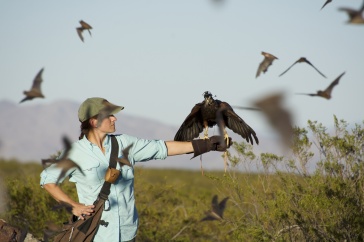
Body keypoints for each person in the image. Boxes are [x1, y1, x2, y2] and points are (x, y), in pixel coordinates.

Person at [40, 97, 232, 242]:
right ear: (94, 121)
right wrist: (73, 205)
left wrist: (208, 145)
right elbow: (48, 180)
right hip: (95, 234)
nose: (115, 118)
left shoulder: (125, 143)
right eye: (110, 115)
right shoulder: (75, 152)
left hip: (127, 231)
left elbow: (163, 148)